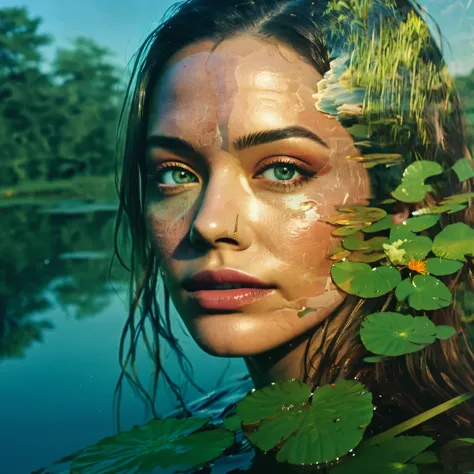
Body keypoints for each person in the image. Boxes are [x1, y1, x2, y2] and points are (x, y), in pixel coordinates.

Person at [112, 0, 474, 439]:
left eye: (284, 170)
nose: (209, 224)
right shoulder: (207, 434)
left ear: (398, 203)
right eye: (174, 174)